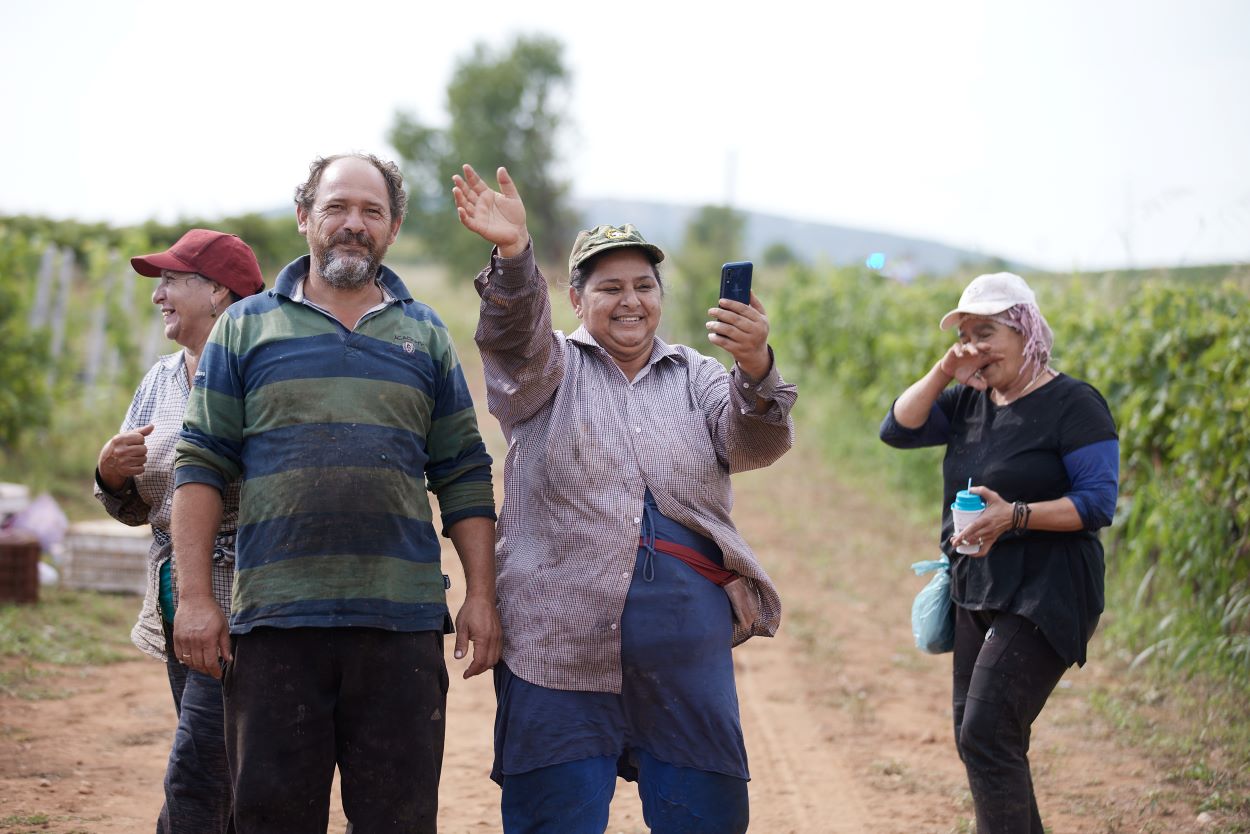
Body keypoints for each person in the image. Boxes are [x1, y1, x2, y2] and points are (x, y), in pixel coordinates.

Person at [453, 163, 797, 834]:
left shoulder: (695, 373)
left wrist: (756, 367)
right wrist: (516, 259)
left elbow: (753, 443)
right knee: (555, 819)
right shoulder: (544, 369)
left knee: (703, 818)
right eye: (609, 287)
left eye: (644, 285)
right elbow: (512, 335)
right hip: (557, 649)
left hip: (683, 656)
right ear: (576, 301)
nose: (630, 300)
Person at [171, 153, 500, 834]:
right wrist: (198, 600)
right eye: (337, 208)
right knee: (271, 819)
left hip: (402, 627)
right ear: (304, 218)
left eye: (371, 212)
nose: (354, 224)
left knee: (398, 821)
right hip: (275, 627)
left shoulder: (427, 333)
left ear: (394, 227)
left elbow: (463, 470)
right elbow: (200, 466)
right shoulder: (245, 327)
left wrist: (483, 596)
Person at [879, 272, 1119, 833]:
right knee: (978, 734)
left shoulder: (1074, 404)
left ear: (1026, 330)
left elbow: (1097, 502)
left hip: (1048, 588)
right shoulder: (969, 401)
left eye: (986, 331)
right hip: (977, 587)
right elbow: (897, 427)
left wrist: (1014, 515)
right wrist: (944, 371)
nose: (974, 347)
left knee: (987, 732)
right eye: (965, 334)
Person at [94, 228, 264, 833]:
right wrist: (110, 475)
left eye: (171, 280)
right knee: (224, 768)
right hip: (176, 600)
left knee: (198, 770)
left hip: (246, 602)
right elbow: (134, 509)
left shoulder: (264, 373)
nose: (157, 295)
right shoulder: (161, 380)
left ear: (219, 291)